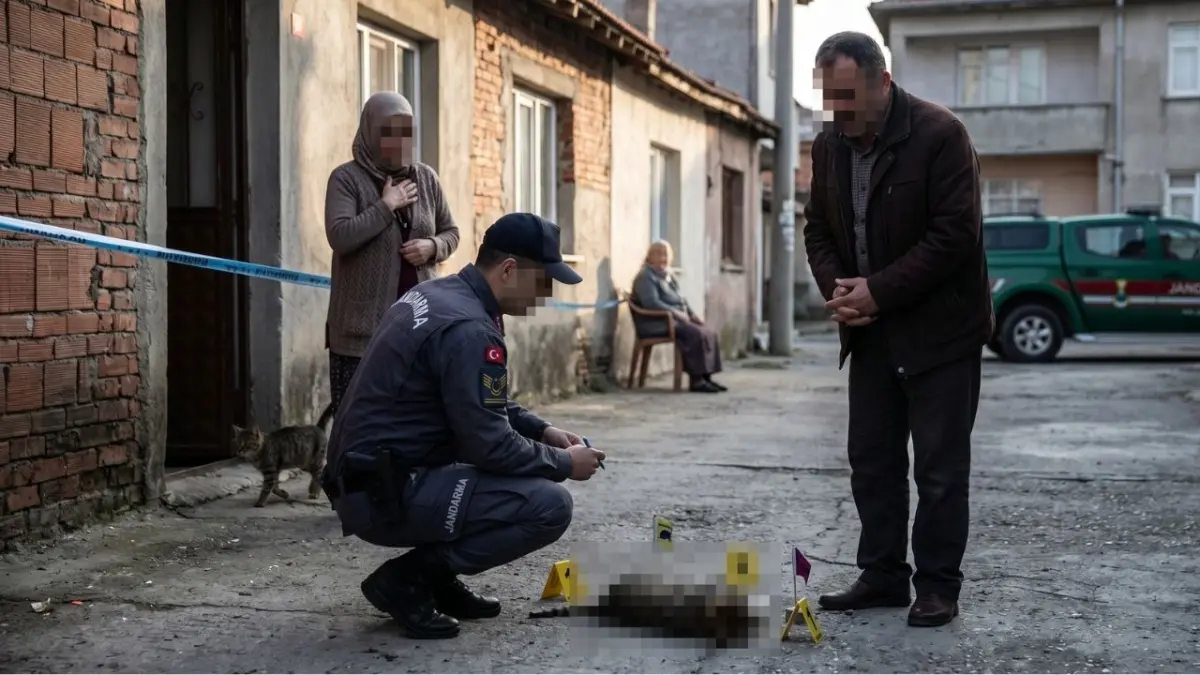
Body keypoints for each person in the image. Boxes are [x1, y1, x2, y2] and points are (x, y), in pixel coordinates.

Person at [321, 212, 607, 640]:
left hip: (369, 477)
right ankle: (410, 578)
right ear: (509, 270)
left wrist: (542, 429)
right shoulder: (470, 328)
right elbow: (489, 445)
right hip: (383, 493)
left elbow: (481, 400)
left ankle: (436, 578)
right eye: (543, 281)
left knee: (516, 476)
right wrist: (564, 463)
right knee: (549, 505)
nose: (546, 295)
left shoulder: (443, 295)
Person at [802, 32, 993, 628]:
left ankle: (937, 586)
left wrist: (877, 291)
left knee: (939, 469)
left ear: (884, 83)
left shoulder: (941, 134)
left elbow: (954, 235)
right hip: (871, 333)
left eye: (851, 97)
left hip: (942, 334)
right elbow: (818, 230)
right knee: (873, 461)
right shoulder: (829, 145)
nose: (841, 113)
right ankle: (883, 574)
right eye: (832, 100)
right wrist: (842, 291)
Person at [324, 91, 460, 414]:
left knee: (412, 420)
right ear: (370, 133)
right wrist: (387, 205)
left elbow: (451, 233)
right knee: (357, 422)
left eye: (405, 132)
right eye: (389, 133)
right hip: (361, 333)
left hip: (418, 327)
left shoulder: (426, 178)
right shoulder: (346, 179)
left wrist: (432, 247)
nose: (399, 142)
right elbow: (340, 236)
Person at [630, 240, 727, 393]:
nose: (664, 258)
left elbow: (682, 301)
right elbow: (651, 303)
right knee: (695, 334)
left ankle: (706, 377)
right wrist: (674, 313)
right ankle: (696, 381)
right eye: (659, 254)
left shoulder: (668, 276)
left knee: (708, 332)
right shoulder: (646, 277)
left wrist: (693, 316)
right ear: (650, 257)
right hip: (656, 322)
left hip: (675, 320)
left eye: (667, 255)